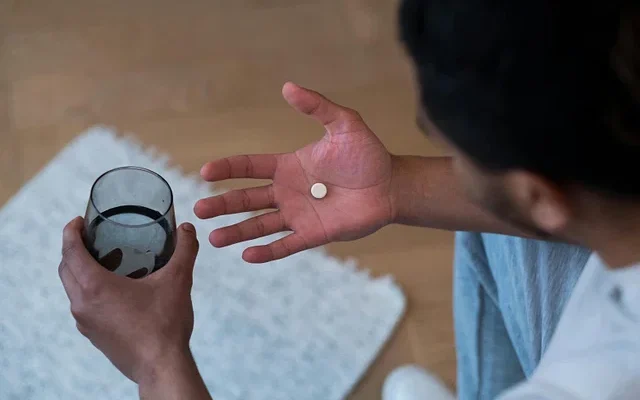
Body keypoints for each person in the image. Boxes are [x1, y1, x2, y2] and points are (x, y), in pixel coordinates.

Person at [57, 0, 640, 399]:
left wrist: (156, 360)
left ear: (541, 194)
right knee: (504, 233)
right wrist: (397, 185)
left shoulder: (599, 381)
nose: (449, 160)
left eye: (453, 151)